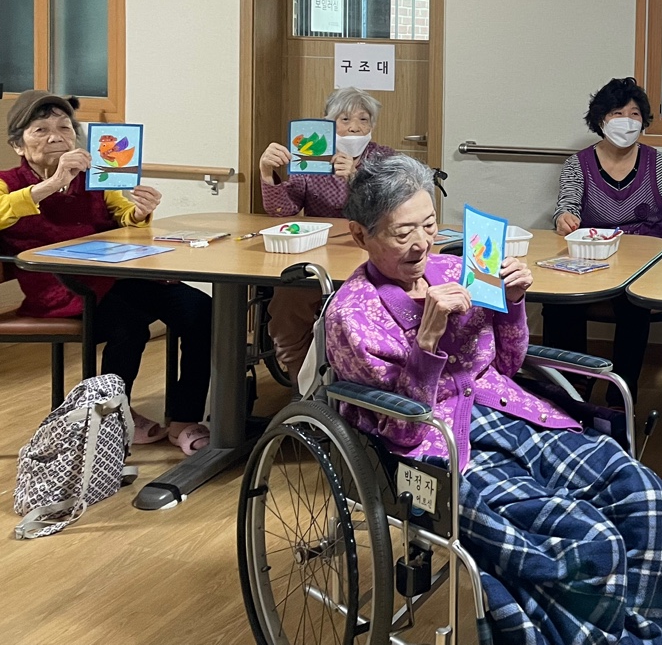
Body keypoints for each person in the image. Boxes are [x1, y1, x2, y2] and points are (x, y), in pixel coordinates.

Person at [324, 155, 662, 645]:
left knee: (650, 500)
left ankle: (648, 637)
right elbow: (405, 428)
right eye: (402, 232)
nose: (422, 243)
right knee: (591, 540)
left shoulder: (458, 269)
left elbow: (510, 364)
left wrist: (514, 303)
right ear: (359, 234)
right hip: (438, 448)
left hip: (513, 414)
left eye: (428, 225)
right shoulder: (351, 314)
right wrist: (427, 342)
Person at [0, 91, 212, 454]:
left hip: (114, 277)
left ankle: (184, 417)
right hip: (60, 288)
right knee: (128, 325)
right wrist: (50, 184)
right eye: (41, 130)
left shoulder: (95, 177)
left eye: (64, 128)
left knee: (200, 309)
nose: (55, 137)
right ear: (18, 145)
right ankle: (112, 419)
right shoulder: (7, 181)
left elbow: (124, 221)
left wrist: (140, 213)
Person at [544, 77, 662, 401]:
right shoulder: (577, 165)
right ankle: (572, 390)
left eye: (634, 114)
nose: (627, 121)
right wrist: (564, 219)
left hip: (643, 263)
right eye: (617, 113)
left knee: (633, 305)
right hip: (590, 261)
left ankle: (620, 398)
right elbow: (566, 207)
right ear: (601, 119)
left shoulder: (658, 163)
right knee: (559, 304)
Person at [257, 86, 396, 375]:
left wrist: (355, 179)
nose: (354, 127)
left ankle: (359, 379)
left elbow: (391, 210)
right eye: (344, 119)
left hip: (371, 255)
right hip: (317, 256)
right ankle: (303, 383)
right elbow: (283, 210)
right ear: (327, 123)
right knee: (287, 308)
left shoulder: (385, 159)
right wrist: (267, 173)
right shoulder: (312, 156)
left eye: (363, 120)